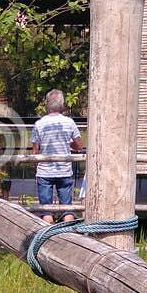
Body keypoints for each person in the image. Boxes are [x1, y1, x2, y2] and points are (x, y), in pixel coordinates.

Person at [32, 89, 83, 221]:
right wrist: (68, 144)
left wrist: (35, 167)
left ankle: (48, 239)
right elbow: (79, 146)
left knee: (46, 210)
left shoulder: (39, 124)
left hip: (44, 172)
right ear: (62, 104)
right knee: (67, 209)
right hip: (64, 171)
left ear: (47, 105)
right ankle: (70, 237)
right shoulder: (69, 122)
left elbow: (35, 151)